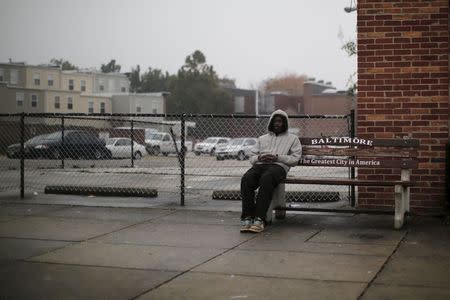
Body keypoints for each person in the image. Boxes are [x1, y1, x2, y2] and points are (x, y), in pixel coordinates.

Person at [240, 109, 302, 233]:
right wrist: (259, 157)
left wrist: (278, 157)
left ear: (285, 123)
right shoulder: (262, 138)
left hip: (279, 167)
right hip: (260, 165)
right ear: (270, 122)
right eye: (275, 121)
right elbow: (251, 157)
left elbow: (295, 159)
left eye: (280, 121)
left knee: (266, 179)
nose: (277, 124)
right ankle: (247, 218)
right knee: (246, 179)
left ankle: (259, 219)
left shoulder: (293, 139)